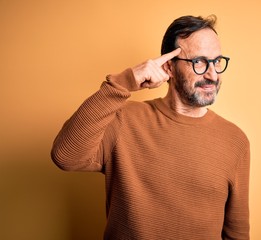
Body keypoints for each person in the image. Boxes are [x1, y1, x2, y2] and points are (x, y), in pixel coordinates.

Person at [51, 15, 250, 240]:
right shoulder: (123, 119)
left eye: (217, 61)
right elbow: (65, 156)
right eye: (200, 62)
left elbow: (237, 232)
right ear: (169, 67)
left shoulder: (235, 140)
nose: (213, 74)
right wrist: (124, 83)